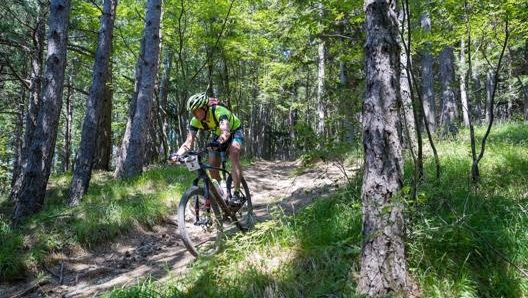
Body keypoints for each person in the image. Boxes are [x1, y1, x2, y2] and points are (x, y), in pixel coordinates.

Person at [172, 92, 245, 203]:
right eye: (193, 111)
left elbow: (225, 132)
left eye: (197, 110)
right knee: (211, 166)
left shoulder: (219, 111)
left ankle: (236, 193)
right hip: (218, 134)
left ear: (205, 108)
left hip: (234, 130)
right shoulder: (195, 121)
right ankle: (224, 190)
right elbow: (188, 142)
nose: (195, 114)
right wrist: (177, 154)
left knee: (234, 152)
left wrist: (218, 142)